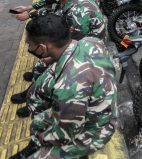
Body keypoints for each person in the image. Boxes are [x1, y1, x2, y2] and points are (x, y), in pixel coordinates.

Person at [9, 14, 117, 159]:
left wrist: (42, 137)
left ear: (42, 48)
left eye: (30, 45)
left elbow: (64, 135)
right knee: (37, 122)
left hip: (96, 129)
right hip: (93, 103)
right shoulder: (90, 41)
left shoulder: (68, 87)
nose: (29, 47)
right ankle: (36, 144)